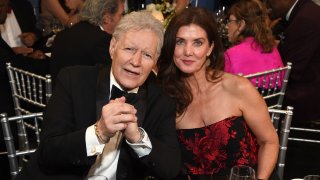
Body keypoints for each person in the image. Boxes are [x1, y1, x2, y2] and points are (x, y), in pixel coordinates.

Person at [15, 10, 181, 180]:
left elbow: (170, 169)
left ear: (155, 60)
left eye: (147, 54)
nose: (136, 62)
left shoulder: (161, 101)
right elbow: (48, 153)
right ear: (113, 47)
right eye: (130, 49)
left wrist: (137, 138)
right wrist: (99, 132)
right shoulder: (73, 80)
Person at [157, 7, 279, 179]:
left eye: (198, 43)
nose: (188, 52)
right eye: (180, 42)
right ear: (171, 46)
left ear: (210, 48)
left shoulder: (238, 88)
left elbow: (269, 141)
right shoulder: (166, 98)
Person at [266, 0, 320, 127]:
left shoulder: (305, 19)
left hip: (305, 104)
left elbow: (292, 71)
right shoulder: (306, 11)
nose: (266, 4)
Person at [50, 0, 124, 86]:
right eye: (121, 15)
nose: (123, 19)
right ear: (106, 18)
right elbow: (113, 78)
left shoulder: (62, 34)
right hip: (83, 96)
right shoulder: (102, 40)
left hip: (59, 95)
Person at [224, 0, 283, 86]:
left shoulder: (231, 55)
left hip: (241, 99)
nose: (227, 26)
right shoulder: (273, 49)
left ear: (241, 25)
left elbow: (225, 90)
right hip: (270, 99)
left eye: (230, 21)